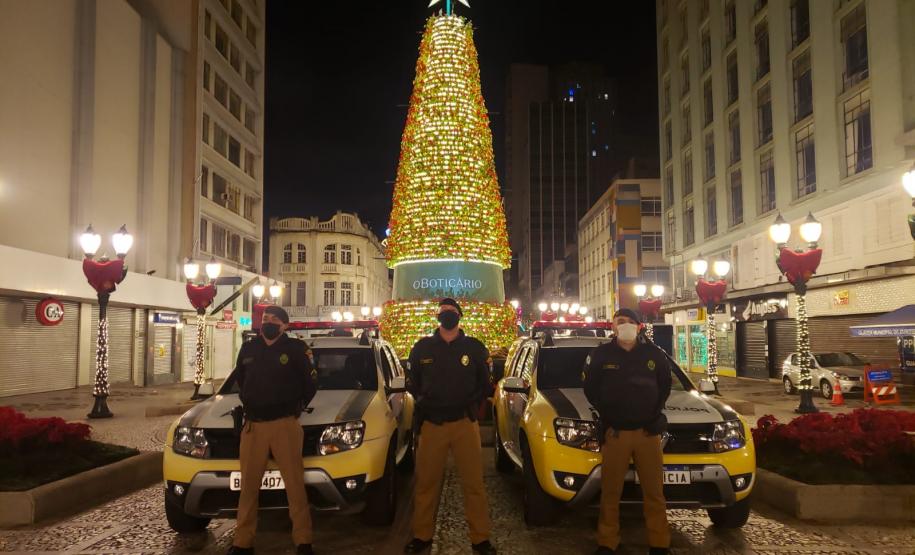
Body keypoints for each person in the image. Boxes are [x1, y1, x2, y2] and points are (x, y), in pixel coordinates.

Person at [403, 298, 497, 555]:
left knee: (474, 485)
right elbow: (412, 381)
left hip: (465, 424)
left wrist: (471, 403)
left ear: (459, 316)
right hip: (433, 424)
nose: (447, 315)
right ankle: (422, 536)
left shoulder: (474, 348)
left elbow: (485, 383)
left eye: (452, 312)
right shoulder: (422, 348)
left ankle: (480, 539)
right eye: (443, 312)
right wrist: (425, 402)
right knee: (426, 484)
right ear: (438, 317)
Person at [227, 306, 317, 555]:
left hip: (284, 425)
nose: (268, 322)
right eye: (265, 318)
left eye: (274, 319)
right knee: (248, 488)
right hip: (253, 426)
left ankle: (303, 541)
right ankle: (243, 543)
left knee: (295, 485)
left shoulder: (296, 349)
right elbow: (241, 380)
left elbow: (310, 384)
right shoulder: (249, 348)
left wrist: (295, 407)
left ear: (284, 325)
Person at [583, 308, 672, 555]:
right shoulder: (601, 354)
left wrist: (653, 413)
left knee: (654, 492)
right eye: (620, 321)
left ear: (639, 326)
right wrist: (608, 414)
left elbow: (665, 386)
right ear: (613, 326)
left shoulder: (654, 354)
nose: (625, 325)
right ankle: (607, 542)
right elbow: (590, 389)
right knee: (611, 492)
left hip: (647, 433)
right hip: (616, 433)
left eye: (631, 321)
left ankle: (659, 544)